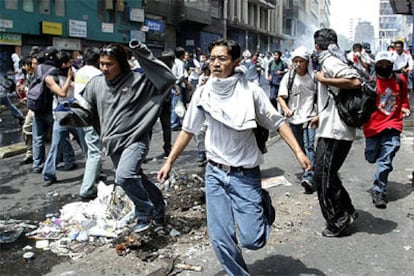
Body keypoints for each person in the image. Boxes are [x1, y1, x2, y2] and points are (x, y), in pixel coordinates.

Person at [157, 38, 311, 275]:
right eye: (212, 58)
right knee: (221, 239)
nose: (216, 63)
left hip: (245, 175)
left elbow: (278, 123)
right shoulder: (203, 93)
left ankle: (263, 205)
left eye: (222, 58)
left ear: (236, 61)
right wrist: (169, 161)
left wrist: (299, 152)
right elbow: (188, 130)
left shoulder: (251, 92)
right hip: (215, 173)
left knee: (253, 240)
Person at [60, 41, 176, 232]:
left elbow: (167, 77)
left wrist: (140, 50)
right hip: (112, 142)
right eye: (102, 64)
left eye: (109, 64)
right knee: (137, 178)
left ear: (121, 63)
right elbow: (86, 112)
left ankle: (143, 211)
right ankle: (158, 206)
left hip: (136, 139)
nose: (104, 68)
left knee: (124, 176)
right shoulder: (96, 83)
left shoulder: (139, 80)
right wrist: (68, 116)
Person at [313, 28, 362, 237]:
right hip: (332, 126)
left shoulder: (330, 61)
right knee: (328, 175)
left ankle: (338, 220)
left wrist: (324, 80)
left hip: (336, 131)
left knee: (322, 177)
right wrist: (320, 115)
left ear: (317, 46)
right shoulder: (333, 58)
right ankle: (347, 210)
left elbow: (354, 81)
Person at [363, 51, 411, 208]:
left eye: (387, 65)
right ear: (375, 65)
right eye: (380, 64)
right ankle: (375, 159)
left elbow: (404, 97)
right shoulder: (370, 82)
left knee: (387, 157)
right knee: (371, 157)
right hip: (373, 126)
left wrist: (404, 108)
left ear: (392, 65)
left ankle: (379, 191)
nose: (384, 67)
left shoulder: (400, 80)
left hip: (393, 123)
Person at [42, 50, 86, 187]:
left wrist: (73, 79)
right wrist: (68, 78)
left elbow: (80, 88)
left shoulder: (75, 72)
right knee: (56, 145)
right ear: (61, 65)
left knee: (86, 144)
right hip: (61, 114)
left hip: (76, 112)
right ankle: (49, 175)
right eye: (67, 63)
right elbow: (62, 93)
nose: (70, 65)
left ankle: (96, 170)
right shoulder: (50, 77)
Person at [277, 46, 318, 194]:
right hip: (294, 118)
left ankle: (308, 176)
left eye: (301, 61)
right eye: (296, 61)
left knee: (309, 146)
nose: (299, 64)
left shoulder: (314, 77)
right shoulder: (288, 77)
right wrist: (286, 109)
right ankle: (308, 168)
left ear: (307, 62)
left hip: (310, 116)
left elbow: (321, 98)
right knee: (299, 147)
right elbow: (281, 97)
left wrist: (318, 114)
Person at [73, 47, 103, 199]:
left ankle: (97, 175)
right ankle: (87, 187)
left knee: (90, 149)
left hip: (79, 113)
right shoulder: (97, 74)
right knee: (95, 152)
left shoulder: (80, 71)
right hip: (92, 114)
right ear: (98, 60)